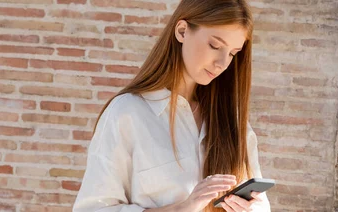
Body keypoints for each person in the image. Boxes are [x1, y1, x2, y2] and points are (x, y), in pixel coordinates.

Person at [72, 0, 270, 211]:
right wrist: (182, 208)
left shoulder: (233, 123)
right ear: (182, 31)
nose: (222, 63)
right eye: (215, 45)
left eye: (232, 53)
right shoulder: (127, 113)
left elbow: (261, 205)